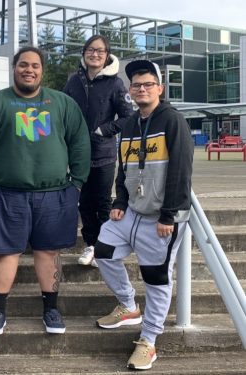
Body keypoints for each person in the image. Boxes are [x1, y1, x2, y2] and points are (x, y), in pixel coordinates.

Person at [0, 46, 91, 336]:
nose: (29, 70)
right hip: (5, 193)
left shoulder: (62, 103)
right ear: (14, 68)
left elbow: (80, 142)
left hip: (56, 193)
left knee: (48, 252)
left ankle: (51, 308)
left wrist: (77, 184)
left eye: (35, 65)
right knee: (5, 253)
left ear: (42, 71)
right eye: (23, 64)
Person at [94, 60, 193, 370]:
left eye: (147, 84)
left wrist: (169, 214)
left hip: (161, 218)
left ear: (159, 89)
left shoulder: (173, 120)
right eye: (136, 85)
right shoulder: (130, 124)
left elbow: (180, 170)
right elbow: (125, 168)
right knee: (104, 252)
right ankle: (127, 305)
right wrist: (120, 199)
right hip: (132, 213)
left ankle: (149, 341)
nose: (141, 89)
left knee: (156, 279)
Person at [64, 34, 133, 268]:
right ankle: (90, 244)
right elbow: (63, 112)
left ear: (107, 55)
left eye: (100, 51)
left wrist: (104, 130)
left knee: (102, 201)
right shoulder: (73, 81)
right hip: (77, 153)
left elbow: (127, 117)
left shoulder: (115, 83)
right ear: (84, 53)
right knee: (83, 201)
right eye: (91, 50)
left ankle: (104, 246)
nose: (95, 54)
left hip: (103, 153)